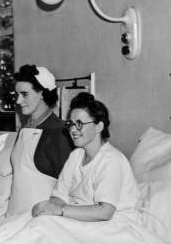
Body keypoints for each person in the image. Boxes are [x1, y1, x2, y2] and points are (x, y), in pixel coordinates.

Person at [32, 92, 138, 221]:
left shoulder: (112, 160)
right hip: (80, 220)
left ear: (99, 126)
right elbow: (60, 195)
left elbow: (105, 212)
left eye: (79, 124)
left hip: (114, 225)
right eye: (70, 124)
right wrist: (50, 208)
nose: (73, 130)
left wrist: (61, 210)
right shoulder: (76, 156)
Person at [7, 64, 74, 215]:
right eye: (17, 95)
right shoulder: (24, 129)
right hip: (14, 214)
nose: (18, 101)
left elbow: (69, 186)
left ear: (42, 93)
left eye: (24, 94)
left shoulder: (59, 132)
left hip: (41, 221)